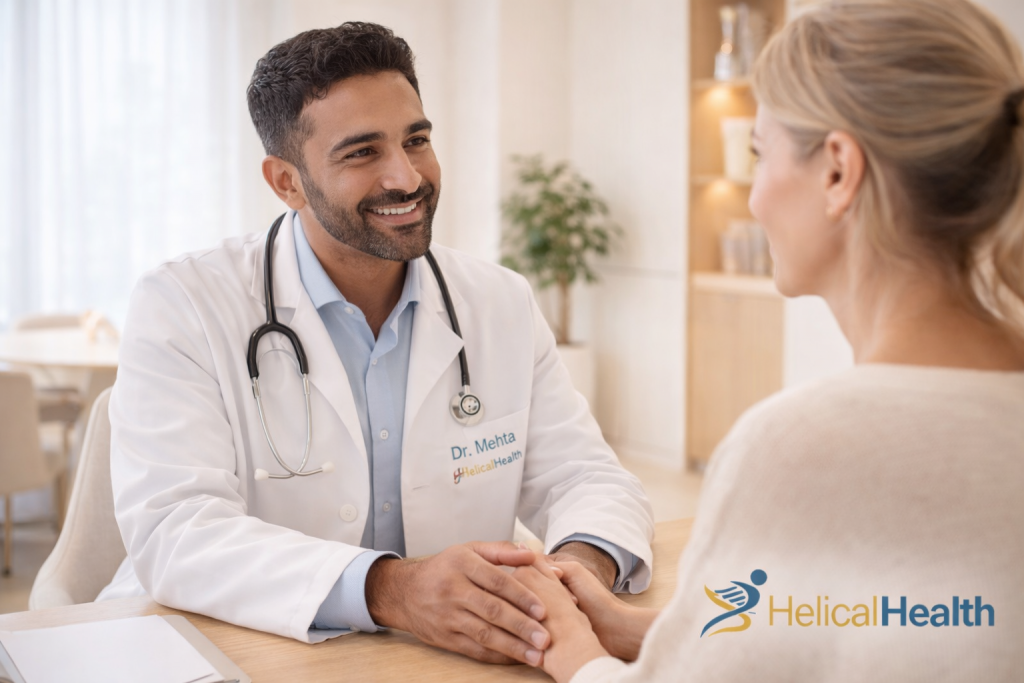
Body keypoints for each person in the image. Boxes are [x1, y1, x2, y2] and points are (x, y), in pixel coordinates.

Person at [96, 22, 654, 668]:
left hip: (442, 660)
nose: (406, 176)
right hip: (229, 650)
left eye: (417, 140)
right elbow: (176, 531)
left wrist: (575, 572)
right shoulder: (185, 303)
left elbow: (584, 474)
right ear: (287, 181)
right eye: (362, 153)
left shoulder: (499, 301)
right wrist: (391, 588)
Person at [514, 0, 1024, 680]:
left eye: (759, 154)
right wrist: (646, 628)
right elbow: (907, 626)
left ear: (838, 171)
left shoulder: (805, 445)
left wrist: (573, 651)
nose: (753, 198)